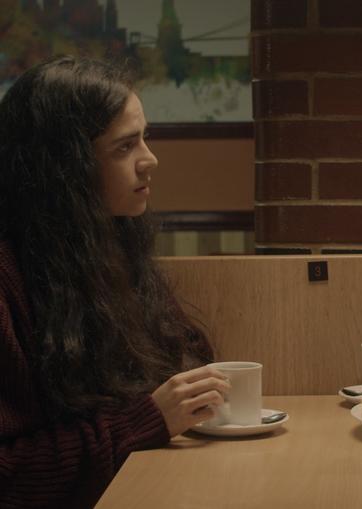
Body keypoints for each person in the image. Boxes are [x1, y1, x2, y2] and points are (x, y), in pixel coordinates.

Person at [0, 56, 231, 508]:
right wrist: (141, 423)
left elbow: (173, 361)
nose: (151, 160)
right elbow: (9, 475)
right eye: (125, 147)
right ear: (63, 169)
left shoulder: (109, 239)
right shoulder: (9, 277)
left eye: (145, 138)